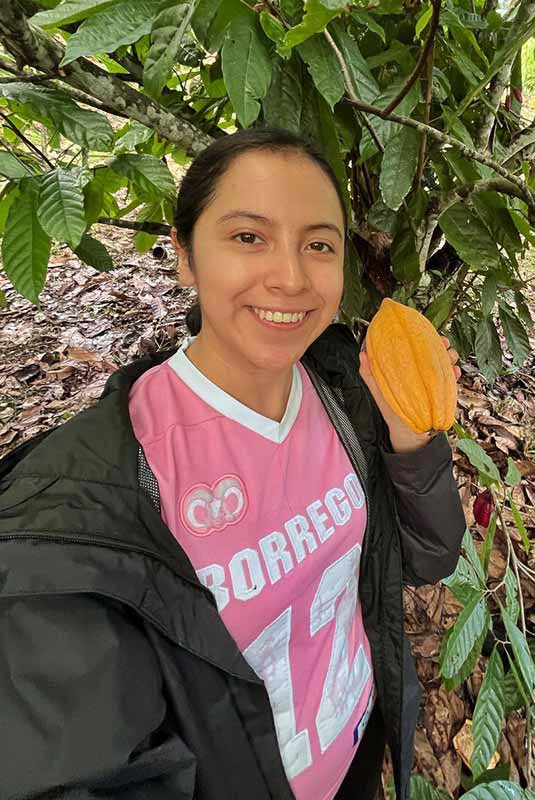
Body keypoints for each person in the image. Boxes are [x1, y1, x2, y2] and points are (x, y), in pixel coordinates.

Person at [0, 127, 466, 800]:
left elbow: (428, 557)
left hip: (360, 756)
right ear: (186, 255)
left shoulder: (345, 396)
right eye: (249, 237)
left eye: (318, 244)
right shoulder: (85, 501)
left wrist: (411, 435)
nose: (291, 276)